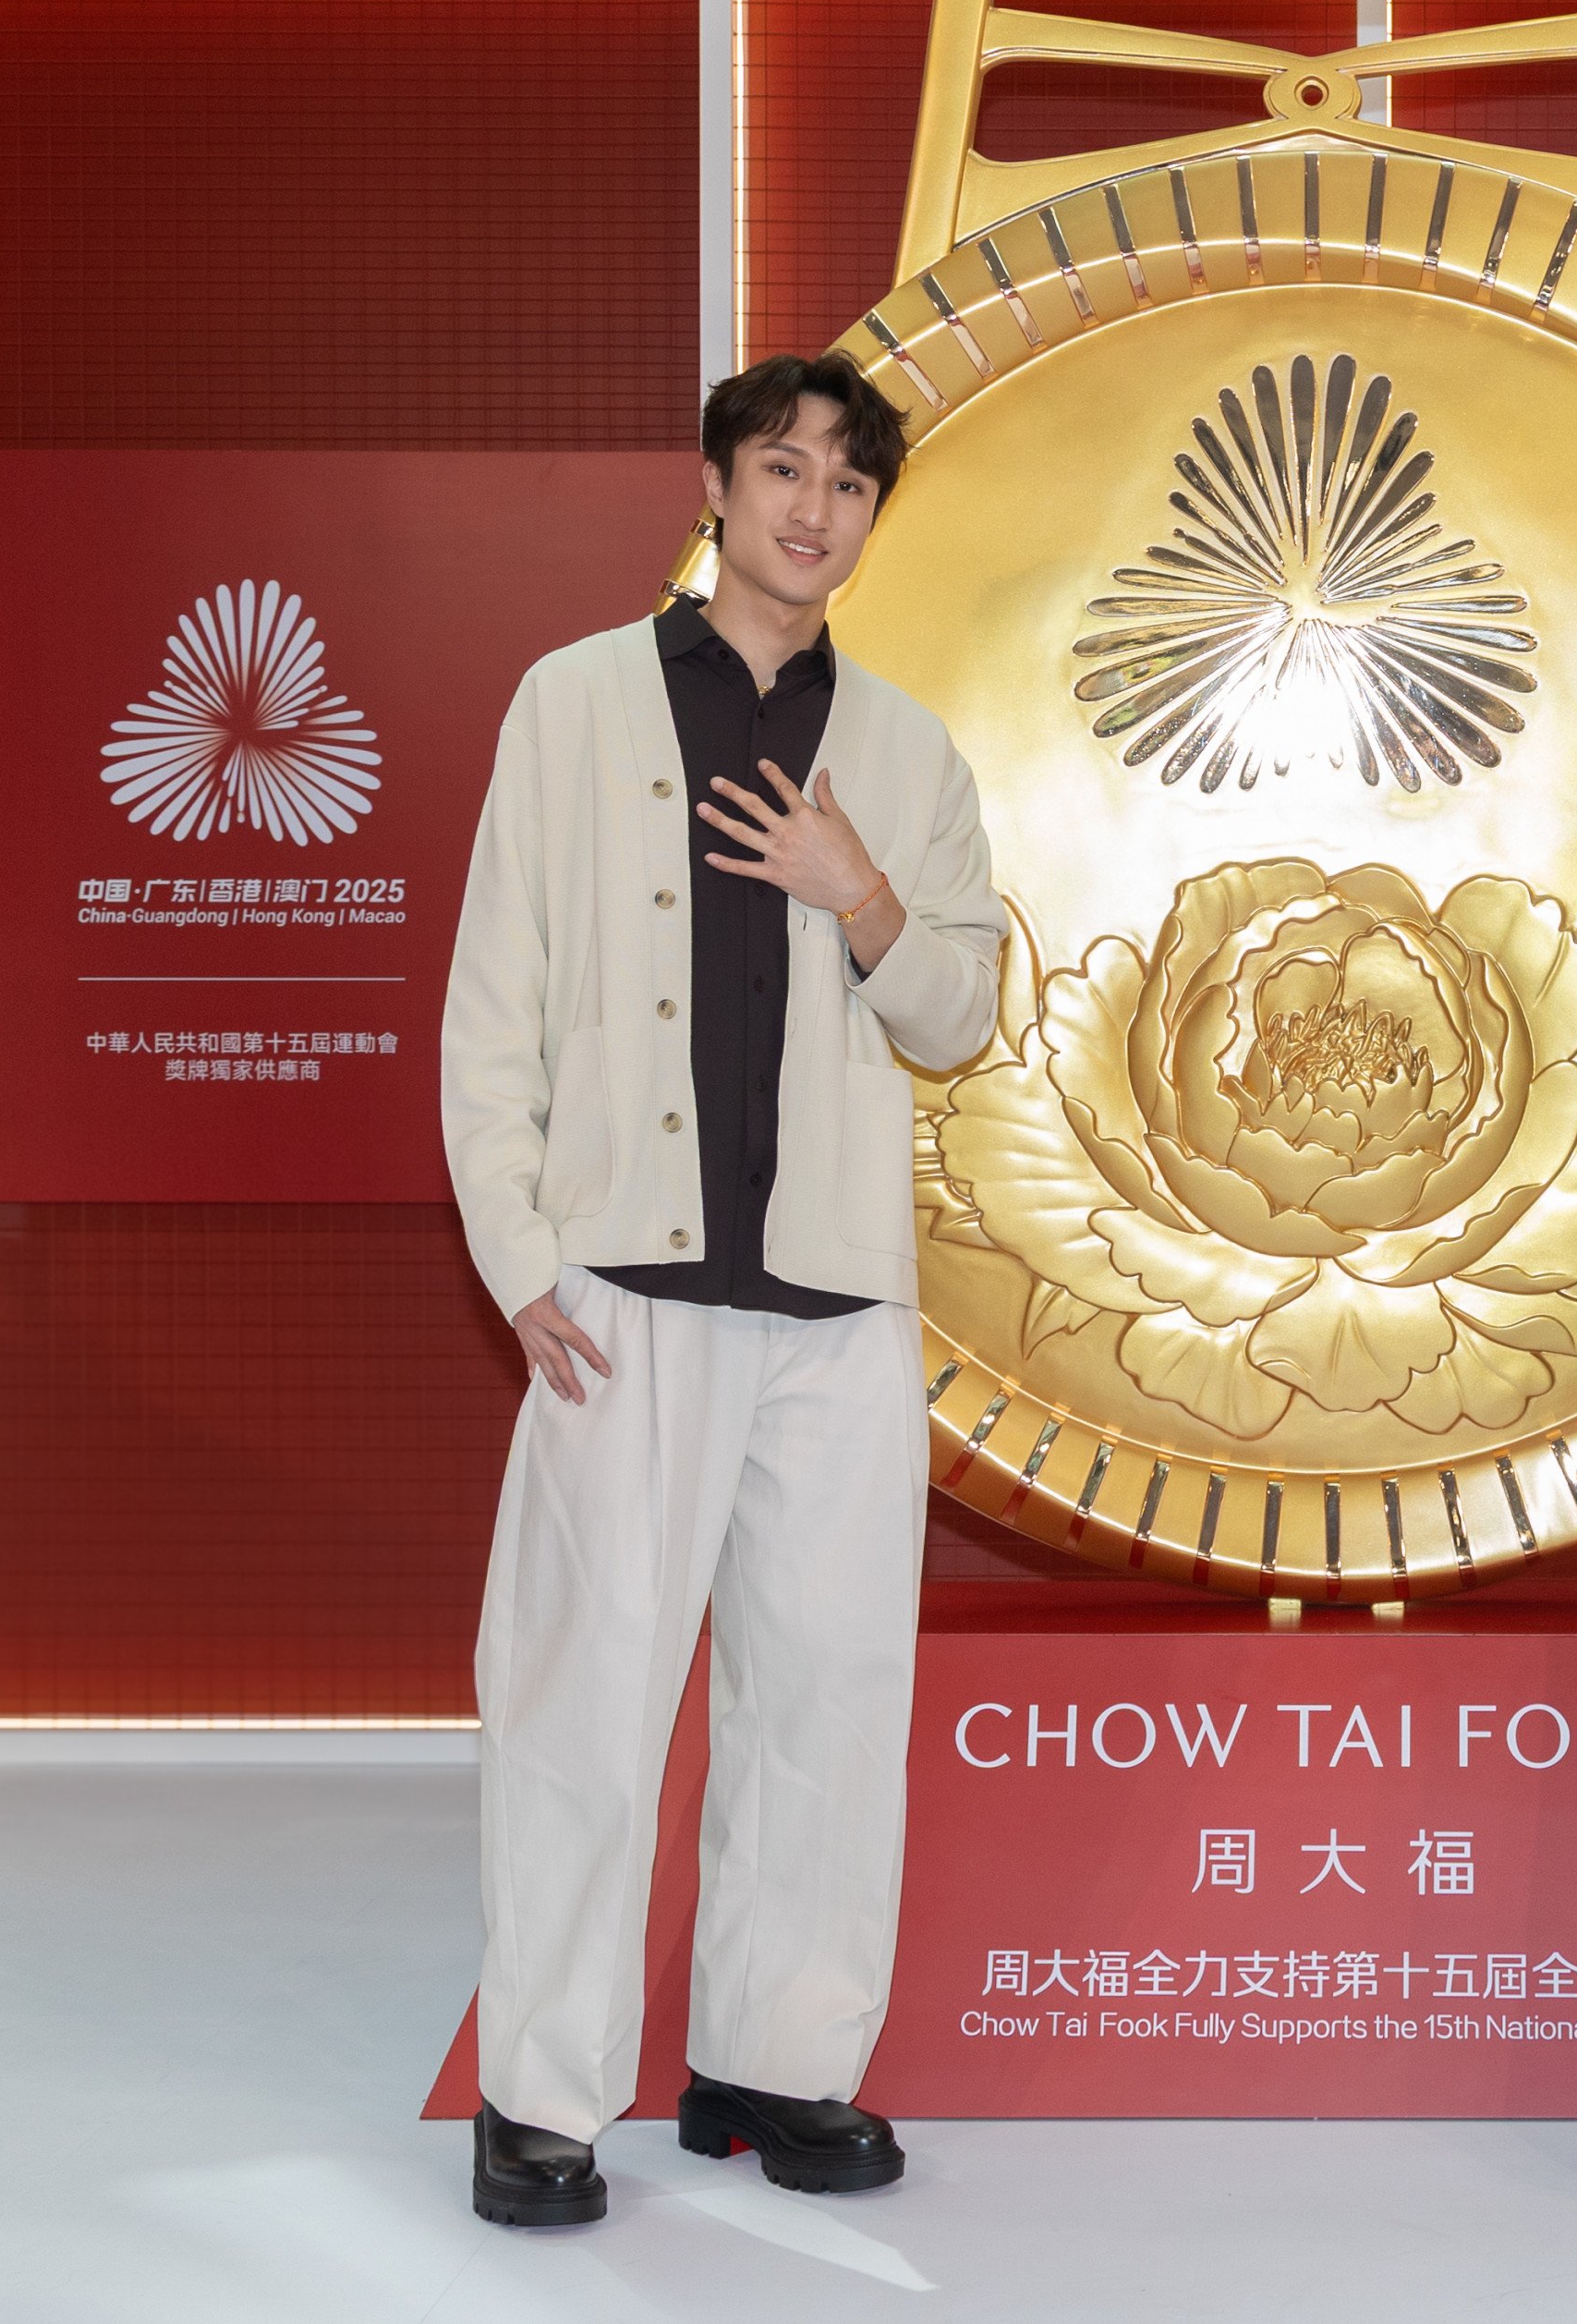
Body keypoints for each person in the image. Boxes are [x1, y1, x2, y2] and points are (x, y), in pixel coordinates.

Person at [440, 353, 1001, 2227]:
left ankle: (774, 2064)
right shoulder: (576, 702)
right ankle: (540, 2097)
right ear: (715, 480)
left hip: (837, 1312)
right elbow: (493, 1001)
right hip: (625, 1294)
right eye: (782, 470)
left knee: (825, 1704)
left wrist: (860, 894)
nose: (811, 511)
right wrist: (518, 1257)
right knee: (584, 1698)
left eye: (846, 486)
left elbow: (960, 1015)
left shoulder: (907, 753)